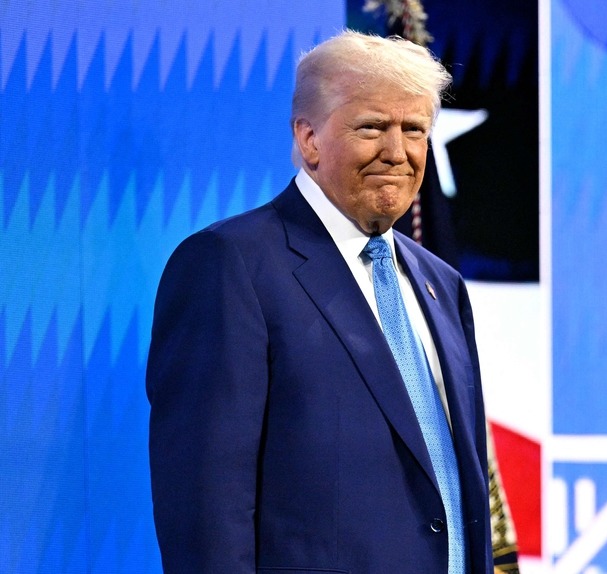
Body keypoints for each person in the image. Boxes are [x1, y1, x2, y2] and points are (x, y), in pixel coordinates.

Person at [146, 30, 493, 573]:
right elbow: (204, 508)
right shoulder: (230, 265)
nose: (397, 152)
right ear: (308, 139)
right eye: (372, 127)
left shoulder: (441, 284)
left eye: (414, 130)